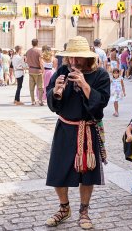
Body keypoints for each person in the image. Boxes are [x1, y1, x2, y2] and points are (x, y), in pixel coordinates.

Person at [45, 36, 110, 230]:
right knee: (58, 171)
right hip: (65, 128)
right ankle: (64, 208)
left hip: (87, 129)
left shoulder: (101, 75)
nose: (73, 62)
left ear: (88, 57)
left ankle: (84, 211)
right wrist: (55, 91)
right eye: (71, 58)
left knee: (87, 174)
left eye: (78, 58)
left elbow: (101, 104)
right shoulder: (63, 70)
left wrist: (84, 84)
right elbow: (52, 102)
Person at [26, 39, 44, 106]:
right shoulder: (39, 51)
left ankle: (33, 101)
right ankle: (40, 100)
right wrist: (43, 70)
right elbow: (41, 62)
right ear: (37, 43)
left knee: (31, 88)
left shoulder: (28, 51)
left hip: (30, 71)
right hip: (38, 71)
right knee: (40, 87)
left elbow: (26, 61)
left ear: (32, 43)